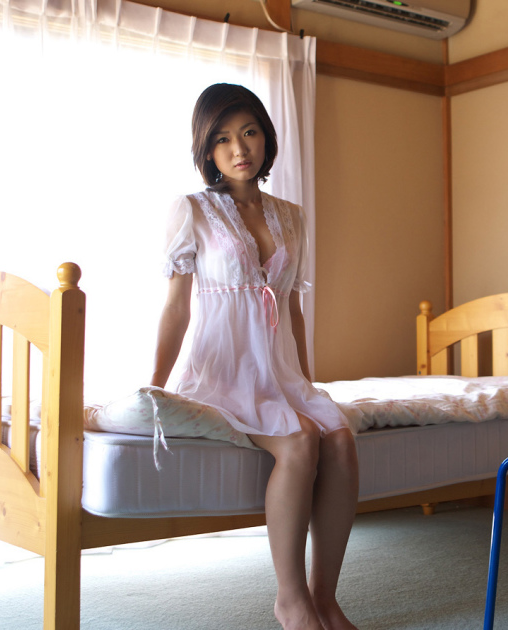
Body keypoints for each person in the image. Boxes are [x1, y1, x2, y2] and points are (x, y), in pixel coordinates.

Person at [150, 83, 360, 630]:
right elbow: (176, 307)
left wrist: (306, 385)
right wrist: (156, 387)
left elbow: (291, 308)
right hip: (223, 370)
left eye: (248, 132)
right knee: (300, 441)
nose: (238, 148)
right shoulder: (192, 210)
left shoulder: (292, 215)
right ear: (206, 149)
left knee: (338, 437)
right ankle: (291, 600)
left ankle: (325, 599)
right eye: (222, 139)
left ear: (266, 137)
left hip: (279, 373)